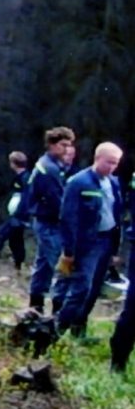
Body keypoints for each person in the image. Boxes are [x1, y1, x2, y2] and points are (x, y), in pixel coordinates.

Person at [55, 141, 126, 337]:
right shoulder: (79, 182)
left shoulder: (113, 183)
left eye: (116, 163)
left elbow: (116, 214)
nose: (112, 167)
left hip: (107, 240)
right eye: (109, 162)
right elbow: (68, 218)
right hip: (87, 244)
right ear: (98, 158)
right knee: (82, 288)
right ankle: (57, 330)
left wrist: (115, 249)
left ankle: (79, 329)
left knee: (95, 288)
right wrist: (69, 251)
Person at [21, 127, 76, 314]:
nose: (66, 149)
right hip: (48, 222)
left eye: (69, 145)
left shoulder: (56, 165)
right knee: (47, 264)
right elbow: (56, 200)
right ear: (52, 145)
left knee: (47, 262)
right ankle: (36, 305)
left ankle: (44, 303)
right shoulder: (48, 168)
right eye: (63, 145)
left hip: (50, 221)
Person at [0, 151, 30, 271]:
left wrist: (20, 214)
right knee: (15, 240)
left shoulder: (26, 178)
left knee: (1, 234)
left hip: (19, 216)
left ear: (13, 163)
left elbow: (26, 198)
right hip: (15, 214)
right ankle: (18, 264)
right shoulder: (19, 177)